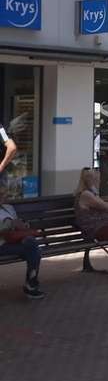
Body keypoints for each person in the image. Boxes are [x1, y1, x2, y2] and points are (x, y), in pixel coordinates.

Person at [0, 122, 44, 299]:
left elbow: (12, 148)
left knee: (31, 244)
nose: (4, 193)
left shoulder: (7, 207)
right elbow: (11, 148)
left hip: (7, 241)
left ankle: (31, 283)